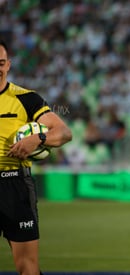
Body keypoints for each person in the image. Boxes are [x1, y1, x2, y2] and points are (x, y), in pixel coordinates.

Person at [0, 40, 72, 274]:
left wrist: (36, 139)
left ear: (8, 65)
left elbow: (63, 132)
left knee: (27, 268)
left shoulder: (26, 98)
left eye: (1, 63)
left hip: (15, 186)